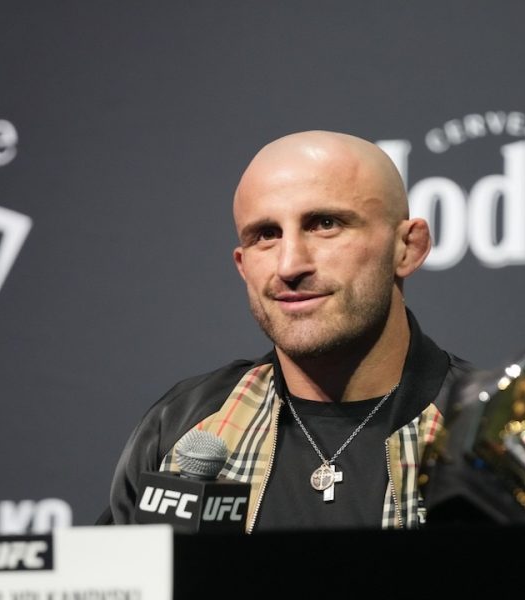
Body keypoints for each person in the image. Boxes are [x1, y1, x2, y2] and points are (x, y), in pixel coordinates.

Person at [108, 130, 473, 531]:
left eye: (325, 224)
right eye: (266, 235)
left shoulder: (482, 436)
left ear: (407, 247)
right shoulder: (180, 428)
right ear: (243, 265)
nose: (290, 265)